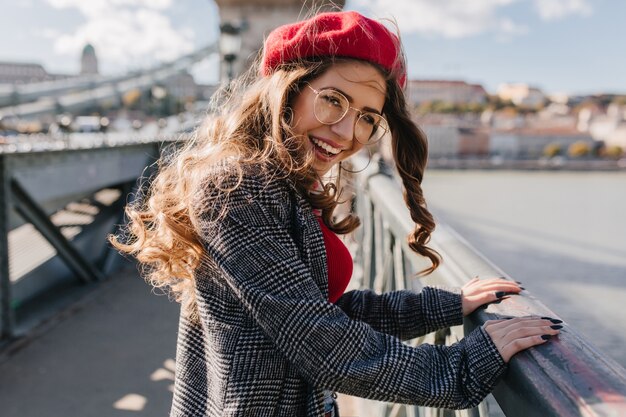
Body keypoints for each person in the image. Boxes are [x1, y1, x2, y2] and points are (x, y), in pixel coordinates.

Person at [110, 10, 561, 417]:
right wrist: (462, 364)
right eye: (333, 99)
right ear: (287, 91)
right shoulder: (236, 188)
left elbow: (326, 309)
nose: (348, 132)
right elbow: (321, 341)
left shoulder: (283, 182)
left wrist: (445, 306)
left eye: (368, 117)